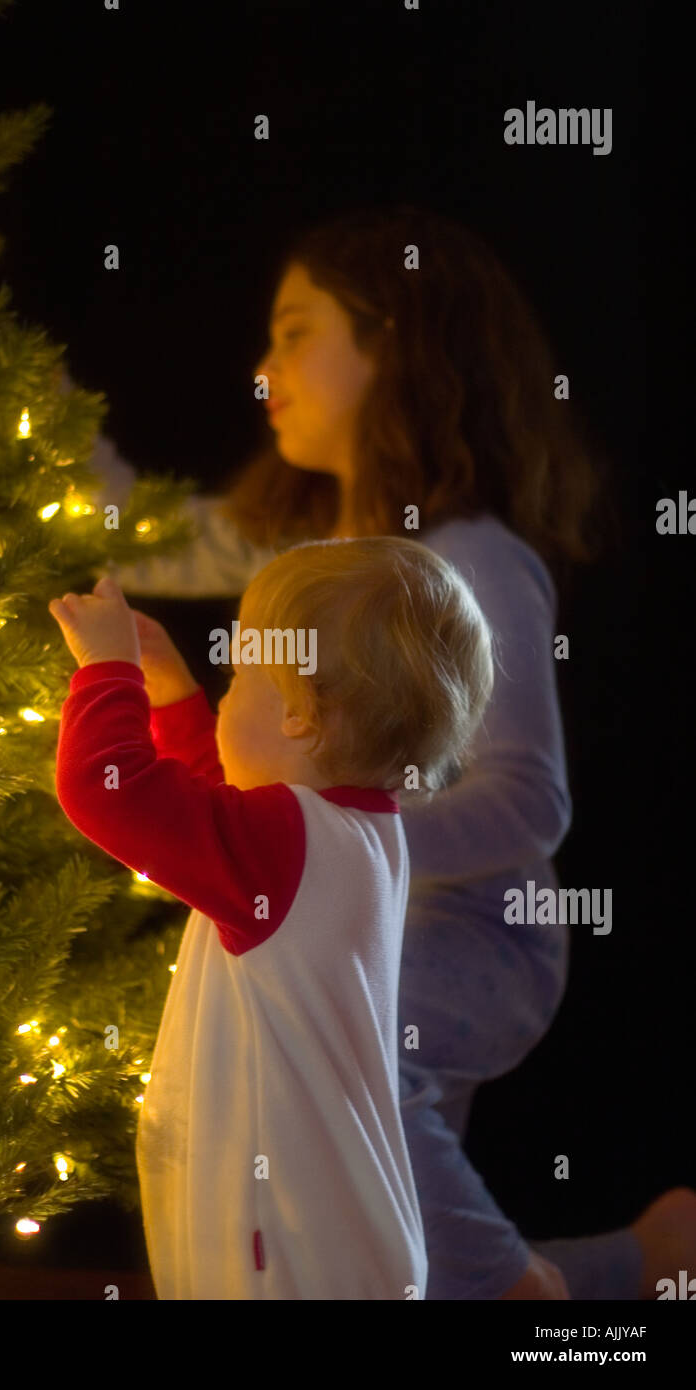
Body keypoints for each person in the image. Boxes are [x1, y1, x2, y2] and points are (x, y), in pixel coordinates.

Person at [86, 204, 696, 1300]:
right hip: (363, 917)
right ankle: (630, 1263)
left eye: (293, 331)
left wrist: (331, 840)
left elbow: (529, 805)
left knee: (370, 1160)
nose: (261, 363)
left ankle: (571, 1286)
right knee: (369, 1206)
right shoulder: (322, 558)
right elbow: (148, 529)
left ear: (393, 345)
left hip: (475, 935)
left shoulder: (468, 562)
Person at [49, 538, 495, 1298]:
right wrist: (173, 693)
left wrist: (108, 672)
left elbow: (108, 788)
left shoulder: (287, 846)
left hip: (287, 1251)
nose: (225, 696)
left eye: (238, 678)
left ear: (298, 715)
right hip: (332, 1241)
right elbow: (216, 804)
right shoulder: (348, 832)